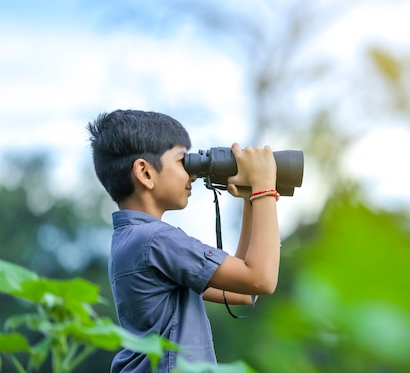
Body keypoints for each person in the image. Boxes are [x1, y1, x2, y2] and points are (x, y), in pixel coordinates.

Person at [87, 109, 281, 372]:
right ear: (145, 172)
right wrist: (264, 187)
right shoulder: (155, 240)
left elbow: (244, 291)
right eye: (183, 161)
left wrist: (250, 200)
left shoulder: (133, 240)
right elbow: (261, 278)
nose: (192, 174)